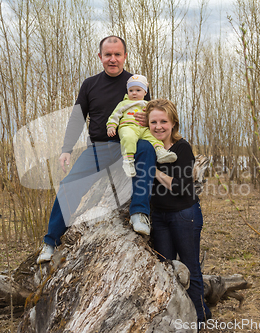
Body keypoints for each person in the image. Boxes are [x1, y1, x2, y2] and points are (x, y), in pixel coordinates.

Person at [37, 36, 155, 264]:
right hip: (99, 148)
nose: (113, 59)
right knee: (68, 185)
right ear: (100, 57)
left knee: (147, 148)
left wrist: (148, 120)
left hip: (128, 144)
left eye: (117, 54)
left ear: (125, 56)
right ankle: (50, 242)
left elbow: (152, 114)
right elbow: (77, 117)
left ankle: (139, 213)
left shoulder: (136, 82)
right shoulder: (90, 84)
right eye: (108, 55)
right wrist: (66, 149)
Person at [146, 98, 212, 324]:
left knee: (190, 267)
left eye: (164, 121)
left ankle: (200, 318)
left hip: (184, 214)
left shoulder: (182, 147)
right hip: (159, 216)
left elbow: (182, 186)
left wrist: (154, 171)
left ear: (173, 123)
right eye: (153, 122)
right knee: (167, 269)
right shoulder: (147, 147)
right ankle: (175, 317)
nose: (158, 126)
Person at [106, 74, 177, 177]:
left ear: (145, 92)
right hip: (128, 126)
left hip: (143, 129)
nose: (134, 93)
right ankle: (128, 161)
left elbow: (153, 117)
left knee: (153, 137)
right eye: (131, 90)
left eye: (138, 90)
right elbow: (115, 116)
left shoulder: (148, 105)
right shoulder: (124, 103)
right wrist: (111, 126)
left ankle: (160, 152)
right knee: (128, 138)